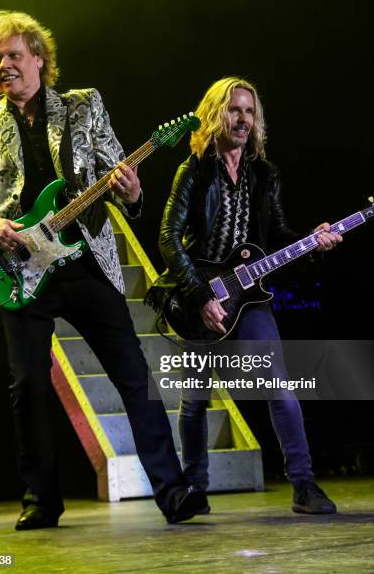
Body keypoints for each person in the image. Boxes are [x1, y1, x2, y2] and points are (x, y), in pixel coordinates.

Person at [0, 10, 207, 530]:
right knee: (28, 385)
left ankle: (174, 492)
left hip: (86, 259)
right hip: (18, 268)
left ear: (40, 59)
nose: (4, 65)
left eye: (14, 56)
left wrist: (133, 193)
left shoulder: (83, 105)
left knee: (134, 377)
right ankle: (40, 500)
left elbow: (121, 172)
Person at [148, 76, 342, 515]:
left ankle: (304, 487)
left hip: (248, 299)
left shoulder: (264, 174)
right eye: (234, 110)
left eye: (249, 111)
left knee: (279, 387)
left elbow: (277, 237)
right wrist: (201, 295)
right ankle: (193, 489)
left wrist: (313, 241)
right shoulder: (194, 169)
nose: (242, 119)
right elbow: (167, 238)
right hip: (196, 297)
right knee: (194, 398)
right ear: (216, 114)